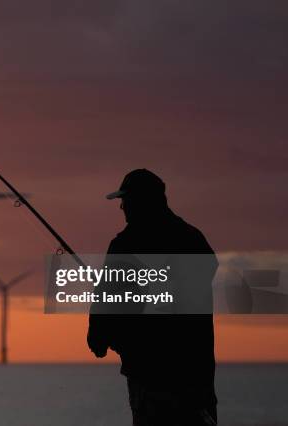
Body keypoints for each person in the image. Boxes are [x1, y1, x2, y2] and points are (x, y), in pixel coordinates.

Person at [87, 169, 218, 425]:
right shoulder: (193, 239)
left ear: (139, 202)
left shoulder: (126, 244)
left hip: (150, 379)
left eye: (125, 200)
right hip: (197, 380)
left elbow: (105, 300)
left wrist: (99, 337)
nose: (122, 207)